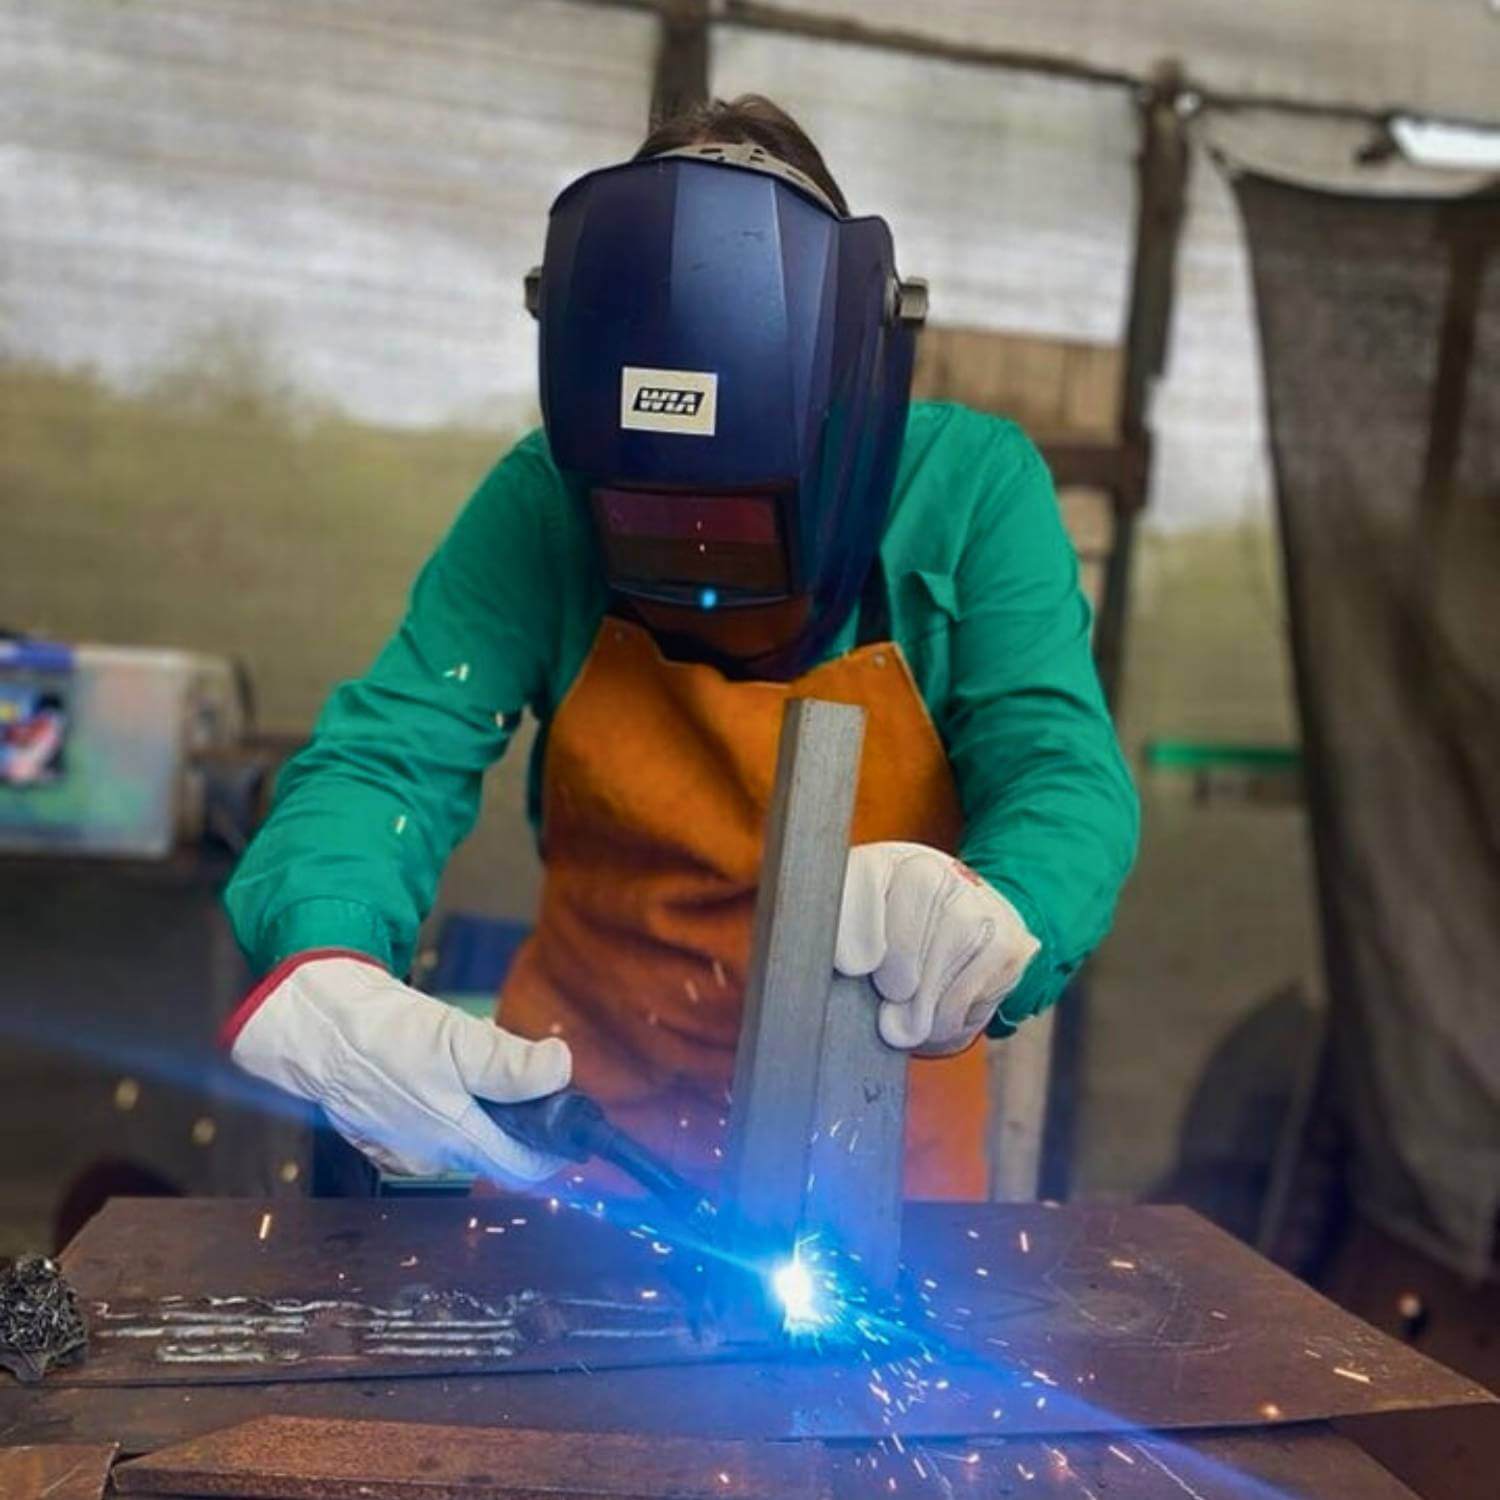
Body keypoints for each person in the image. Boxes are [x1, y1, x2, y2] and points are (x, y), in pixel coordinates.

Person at [221, 95, 1139, 1200]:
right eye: (643, 513)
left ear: (847, 400)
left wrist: (1009, 907)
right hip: (581, 1112)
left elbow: (1061, 769)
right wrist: (329, 955)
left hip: (870, 1143)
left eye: (745, 517)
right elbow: (390, 754)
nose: (701, 572)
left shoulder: (971, 492)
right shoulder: (541, 500)